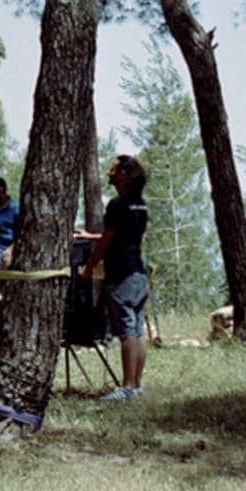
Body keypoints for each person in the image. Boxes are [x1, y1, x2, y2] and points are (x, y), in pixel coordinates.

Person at [82, 153, 151, 401]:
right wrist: (90, 236)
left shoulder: (116, 204)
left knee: (126, 332)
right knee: (138, 330)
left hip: (121, 275)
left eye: (113, 170)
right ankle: (137, 385)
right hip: (139, 275)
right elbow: (121, 235)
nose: (109, 173)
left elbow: (107, 243)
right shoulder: (139, 204)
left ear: (123, 175)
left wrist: (89, 268)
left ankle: (127, 386)